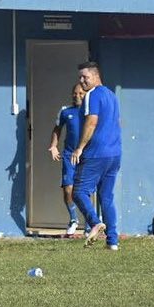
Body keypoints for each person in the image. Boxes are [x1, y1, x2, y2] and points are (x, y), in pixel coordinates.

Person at [70, 61, 122, 250]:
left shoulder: (92, 95)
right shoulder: (112, 95)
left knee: (79, 192)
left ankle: (94, 223)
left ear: (96, 76)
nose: (82, 81)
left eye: (85, 77)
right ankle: (113, 242)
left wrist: (80, 148)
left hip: (96, 154)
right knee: (106, 196)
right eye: (80, 77)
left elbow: (91, 122)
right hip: (114, 154)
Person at [48, 81, 85, 236]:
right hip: (69, 156)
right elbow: (57, 129)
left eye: (81, 93)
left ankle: (91, 223)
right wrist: (53, 146)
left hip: (86, 156)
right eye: (75, 93)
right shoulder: (65, 111)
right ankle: (74, 219)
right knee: (68, 190)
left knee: (84, 192)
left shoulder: (91, 112)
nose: (77, 96)